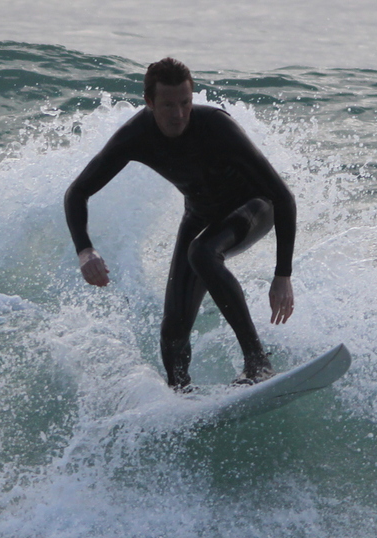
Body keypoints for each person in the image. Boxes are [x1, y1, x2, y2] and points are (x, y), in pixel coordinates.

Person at [64, 57, 296, 388]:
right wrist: (85, 250)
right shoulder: (135, 136)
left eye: (185, 102)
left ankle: (257, 363)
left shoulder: (217, 125)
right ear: (149, 102)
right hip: (201, 215)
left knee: (201, 251)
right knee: (173, 325)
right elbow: (77, 192)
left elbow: (283, 197)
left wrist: (282, 275)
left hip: (254, 206)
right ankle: (181, 397)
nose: (178, 114)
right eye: (168, 105)